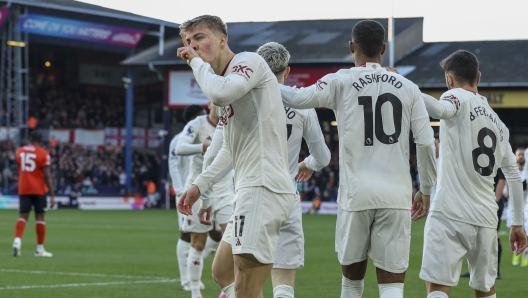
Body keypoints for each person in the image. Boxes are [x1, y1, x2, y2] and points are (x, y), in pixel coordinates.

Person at [279, 20, 437, 298]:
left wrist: (259, 79)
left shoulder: (339, 80)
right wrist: (425, 189)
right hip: (396, 194)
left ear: (351, 47)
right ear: (384, 49)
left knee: (352, 282)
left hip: (356, 195)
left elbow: (296, 98)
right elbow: (425, 142)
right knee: (391, 284)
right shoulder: (408, 87)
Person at [177, 15, 296, 298]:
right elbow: (230, 148)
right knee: (221, 271)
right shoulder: (227, 82)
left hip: (263, 187)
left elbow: (219, 95)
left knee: (246, 285)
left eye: (200, 38)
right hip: (248, 189)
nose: (193, 46)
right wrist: (200, 186)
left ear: (222, 39)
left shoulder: (248, 62)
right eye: (189, 42)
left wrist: (194, 62)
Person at [419, 50, 527, 298]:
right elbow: (513, 176)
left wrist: (406, 88)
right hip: (486, 217)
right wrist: (517, 224)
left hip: (449, 211)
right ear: (478, 77)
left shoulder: (454, 97)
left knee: (437, 288)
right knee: (486, 291)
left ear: (449, 79)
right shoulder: (499, 124)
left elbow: (437, 109)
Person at [255, 41, 331, 298]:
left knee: (243, 279)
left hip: (251, 194)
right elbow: (322, 156)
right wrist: (306, 164)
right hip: (286, 195)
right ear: (287, 71)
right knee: (284, 279)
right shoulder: (303, 105)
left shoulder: (241, 100)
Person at [175, 101, 234, 298]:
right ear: (210, 104)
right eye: (218, 103)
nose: (222, 106)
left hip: (226, 191)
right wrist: (203, 146)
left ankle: (228, 291)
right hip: (198, 189)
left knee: (235, 240)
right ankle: (195, 293)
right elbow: (179, 148)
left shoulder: (233, 123)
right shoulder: (197, 124)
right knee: (198, 244)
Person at [169, 104, 206, 291]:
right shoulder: (178, 141)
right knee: (186, 233)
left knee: (212, 233)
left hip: (205, 192)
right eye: (201, 115)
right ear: (193, 119)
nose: (205, 117)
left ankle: (194, 269)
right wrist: (178, 190)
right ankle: (186, 279)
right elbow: (173, 165)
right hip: (185, 192)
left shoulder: (207, 136)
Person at [12, 131, 55, 257]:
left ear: (30, 140)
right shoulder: (43, 153)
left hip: (24, 188)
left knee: (23, 217)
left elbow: (20, 168)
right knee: (40, 218)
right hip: (38, 189)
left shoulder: (19, 151)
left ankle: (17, 241)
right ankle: (40, 249)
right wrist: (52, 195)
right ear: (40, 142)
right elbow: (47, 176)